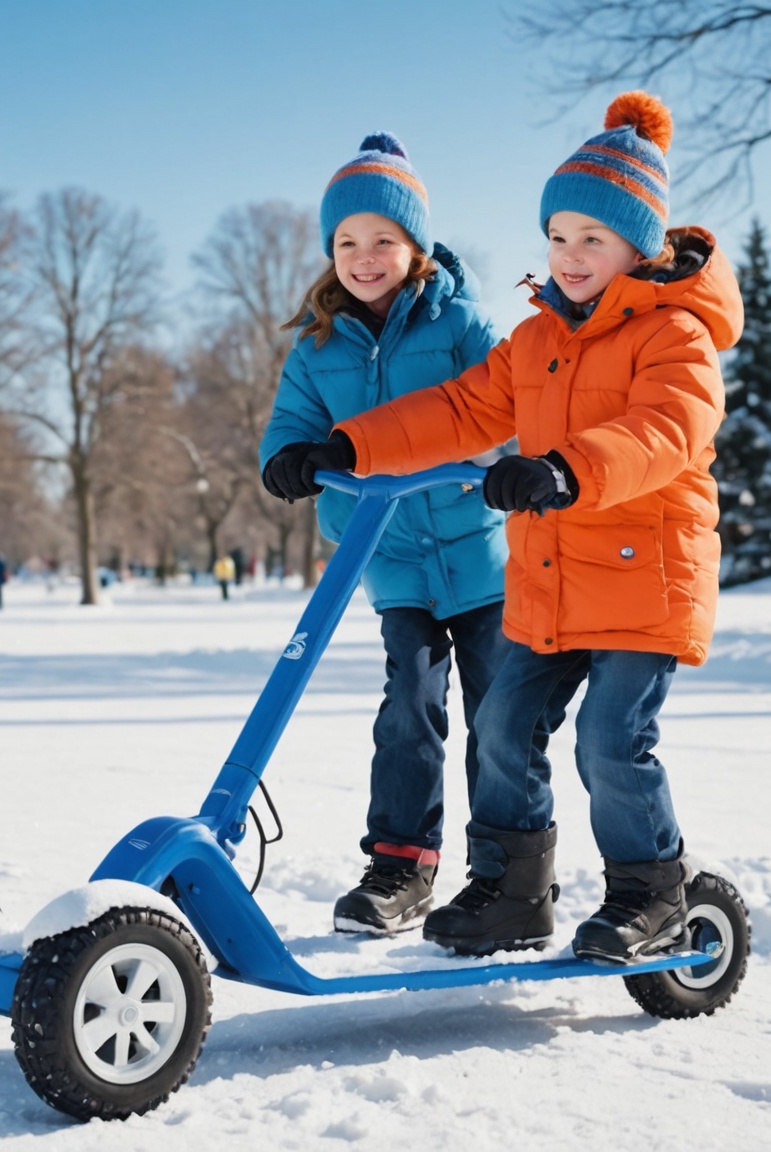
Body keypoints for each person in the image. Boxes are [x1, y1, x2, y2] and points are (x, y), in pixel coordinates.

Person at [265, 93, 739, 962]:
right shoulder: (534, 340)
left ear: (641, 244)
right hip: (552, 578)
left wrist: (564, 470)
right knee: (502, 726)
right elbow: (457, 408)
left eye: (591, 239)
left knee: (609, 744)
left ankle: (651, 893)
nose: (568, 256)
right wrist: (348, 444)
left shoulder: (677, 336)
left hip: (644, 578)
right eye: (557, 237)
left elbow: (664, 434)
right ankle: (515, 892)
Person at [258, 132, 506, 936]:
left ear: (416, 245)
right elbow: (291, 425)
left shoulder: (464, 325)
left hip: (480, 559)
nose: (365, 257)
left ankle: (503, 873)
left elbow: (508, 409)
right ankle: (400, 866)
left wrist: (490, 459)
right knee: (408, 704)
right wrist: (290, 460)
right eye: (347, 242)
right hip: (390, 556)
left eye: (383, 240)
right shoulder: (319, 344)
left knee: (499, 717)